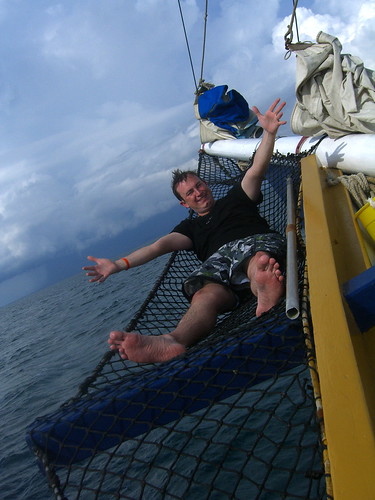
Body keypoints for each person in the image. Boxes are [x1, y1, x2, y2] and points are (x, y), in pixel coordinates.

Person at [83, 98, 287, 363]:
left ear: (207, 185)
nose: (198, 192)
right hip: (221, 272)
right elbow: (157, 247)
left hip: (253, 246)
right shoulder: (189, 229)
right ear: (184, 203)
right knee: (204, 294)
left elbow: (256, 169)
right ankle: (172, 341)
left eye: (199, 185)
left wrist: (269, 133)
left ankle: (262, 286)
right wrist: (118, 265)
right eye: (190, 192)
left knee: (256, 260)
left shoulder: (238, 196)